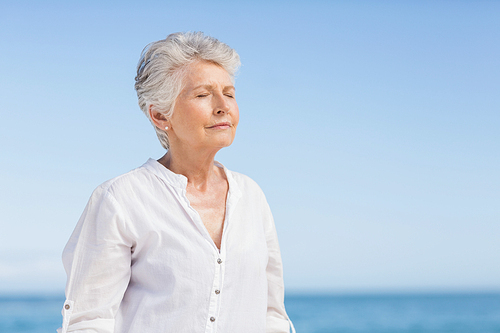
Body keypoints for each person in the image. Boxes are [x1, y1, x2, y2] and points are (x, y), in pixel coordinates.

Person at [58, 32, 295, 333]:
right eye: (202, 94)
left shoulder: (251, 196)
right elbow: (88, 321)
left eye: (229, 93)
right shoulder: (120, 198)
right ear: (159, 115)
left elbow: (271, 312)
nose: (223, 106)